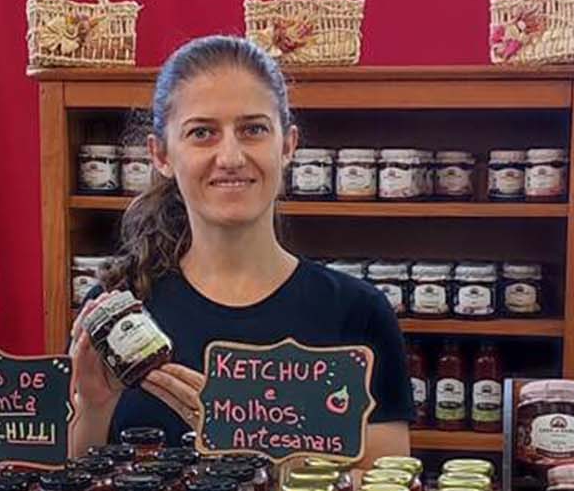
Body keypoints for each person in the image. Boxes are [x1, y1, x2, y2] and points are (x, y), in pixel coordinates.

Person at [67, 35, 413, 464]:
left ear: (287, 145)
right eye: (202, 133)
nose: (230, 156)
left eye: (253, 130)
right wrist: (96, 407)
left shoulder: (357, 312)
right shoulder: (120, 314)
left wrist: (253, 450)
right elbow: (76, 488)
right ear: (161, 155)